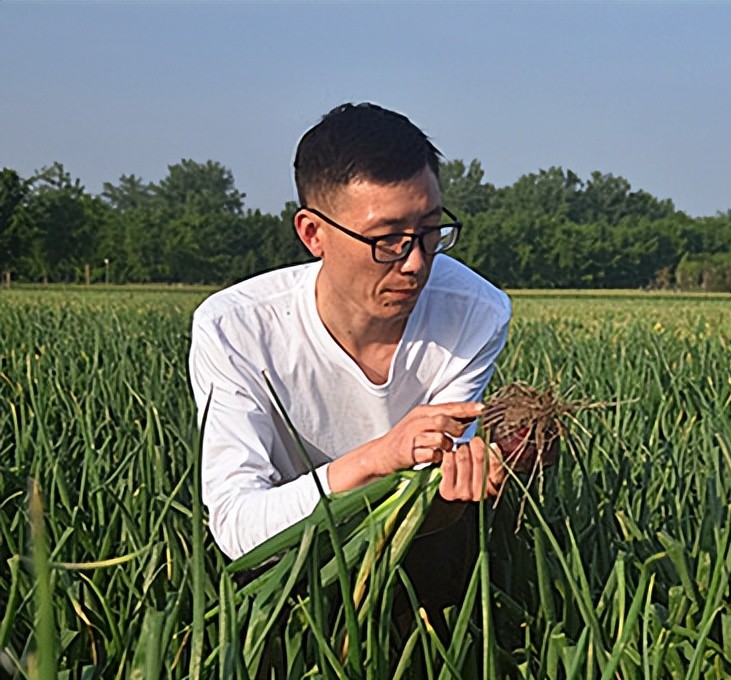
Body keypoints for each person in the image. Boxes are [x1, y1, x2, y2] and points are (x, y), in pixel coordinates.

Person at [189, 102, 508, 620]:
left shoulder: (475, 312)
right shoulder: (235, 329)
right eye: (386, 240)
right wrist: (378, 458)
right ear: (312, 233)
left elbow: (431, 496)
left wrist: (466, 486)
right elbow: (238, 529)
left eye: (430, 230)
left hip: (415, 553)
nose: (416, 263)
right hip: (285, 566)